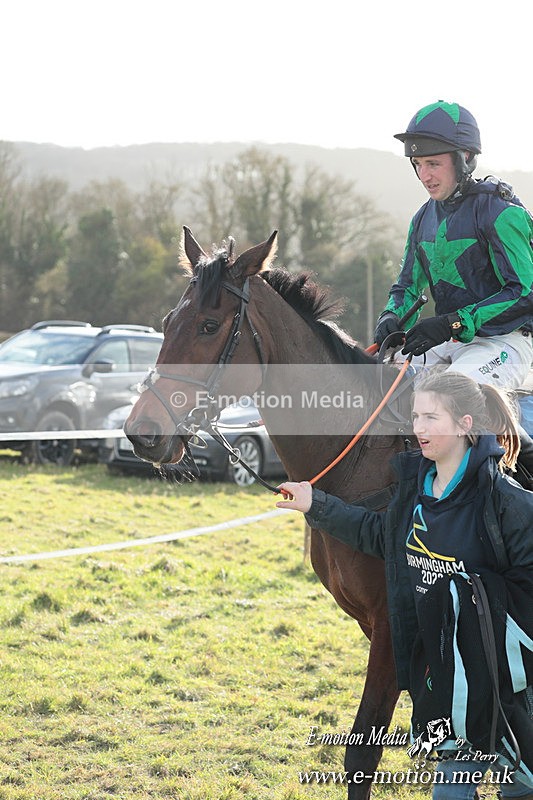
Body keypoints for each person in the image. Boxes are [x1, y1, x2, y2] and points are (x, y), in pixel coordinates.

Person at [276, 369, 533, 800]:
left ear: (464, 424)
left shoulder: (509, 503)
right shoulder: (415, 492)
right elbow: (380, 538)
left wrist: (476, 613)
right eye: (415, 417)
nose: (418, 428)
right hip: (449, 688)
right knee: (450, 791)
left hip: (508, 690)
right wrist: (315, 504)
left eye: (431, 418)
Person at [374, 101, 533, 391]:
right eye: (418, 165)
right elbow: (408, 285)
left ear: (466, 158)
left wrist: (452, 323)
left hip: (504, 340)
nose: (424, 176)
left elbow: (523, 293)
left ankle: (513, 437)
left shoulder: (502, 212)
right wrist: (390, 315)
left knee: (450, 395)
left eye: (433, 164)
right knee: (378, 385)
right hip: (450, 340)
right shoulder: (422, 219)